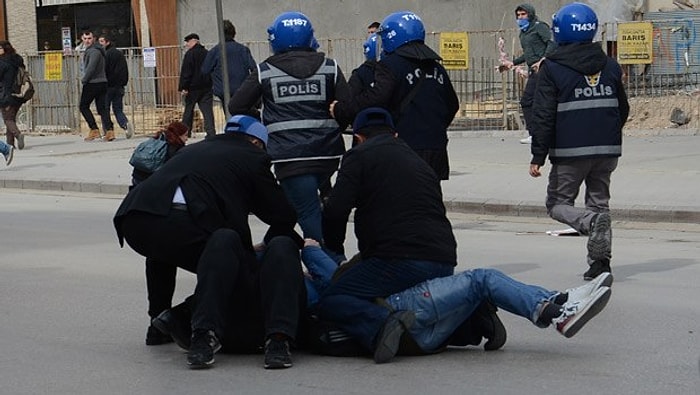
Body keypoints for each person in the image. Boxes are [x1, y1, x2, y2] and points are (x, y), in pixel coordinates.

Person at [113, 115, 304, 369]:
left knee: (163, 250)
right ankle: (194, 327)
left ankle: (158, 323)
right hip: (185, 221)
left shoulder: (195, 149)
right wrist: (260, 248)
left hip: (137, 218)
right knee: (226, 256)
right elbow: (282, 215)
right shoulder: (253, 157)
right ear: (257, 143)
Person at [303, 239, 612, 361]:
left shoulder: (315, 300)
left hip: (420, 338)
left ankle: (559, 301)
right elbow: (323, 261)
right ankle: (554, 311)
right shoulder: (329, 287)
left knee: (477, 284)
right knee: (482, 279)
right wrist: (308, 248)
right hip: (404, 311)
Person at [317, 107, 459, 363]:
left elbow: (335, 210)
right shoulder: (418, 161)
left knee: (335, 297)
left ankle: (382, 324)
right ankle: (474, 319)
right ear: (395, 134)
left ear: (358, 137)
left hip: (399, 258)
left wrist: (334, 249)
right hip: (444, 258)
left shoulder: (358, 156)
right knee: (391, 294)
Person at [228, 11, 350, 244]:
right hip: (328, 154)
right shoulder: (330, 67)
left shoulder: (265, 71)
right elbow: (346, 108)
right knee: (300, 205)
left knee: (306, 211)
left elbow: (237, 105)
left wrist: (263, 116)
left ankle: (328, 262)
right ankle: (273, 244)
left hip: (288, 156)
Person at [528, 3, 629, 281]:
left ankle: (590, 223)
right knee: (600, 204)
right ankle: (600, 265)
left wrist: (538, 155)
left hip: (570, 152)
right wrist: (606, 133)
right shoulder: (609, 64)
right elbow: (623, 108)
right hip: (607, 151)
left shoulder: (552, 68)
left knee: (557, 204)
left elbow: (543, 115)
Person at [331, 10, 459, 181]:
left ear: (391, 37)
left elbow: (376, 98)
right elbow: (452, 105)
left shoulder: (390, 65)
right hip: (436, 147)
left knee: (402, 200)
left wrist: (342, 109)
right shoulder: (437, 68)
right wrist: (433, 127)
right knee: (429, 198)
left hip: (405, 147)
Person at [499, 3, 556, 144]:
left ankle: (537, 134)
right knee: (532, 101)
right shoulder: (524, 32)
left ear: (530, 14)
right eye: (518, 15)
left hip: (543, 69)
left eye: (523, 14)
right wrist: (513, 63)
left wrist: (542, 60)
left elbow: (551, 43)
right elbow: (528, 54)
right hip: (533, 70)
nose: (520, 17)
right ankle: (536, 133)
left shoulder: (539, 27)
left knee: (531, 101)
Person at [201, 20, 256, 114]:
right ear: (234, 33)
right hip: (242, 89)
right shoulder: (243, 50)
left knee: (229, 115)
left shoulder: (215, 51)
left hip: (223, 90)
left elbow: (205, 70)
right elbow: (253, 68)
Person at [178, 33, 215, 138]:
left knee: (188, 111)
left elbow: (186, 72)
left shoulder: (190, 55)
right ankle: (211, 132)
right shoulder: (207, 53)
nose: (187, 45)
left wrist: (183, 87)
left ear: (194, 41)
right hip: (206, 87)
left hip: (192, 88)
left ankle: (185, 133)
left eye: (188, 42)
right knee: (208, 111)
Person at [98, 34, 133, 141]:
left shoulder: (105, 55)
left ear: (107, 42)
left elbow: (103, 70)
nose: (100, 44)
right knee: (118, 109)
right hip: (119, 86)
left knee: (105, 109)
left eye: (102, 42)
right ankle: (125, 124)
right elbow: (124, 70)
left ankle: (108, 131)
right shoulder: (119, 54)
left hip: (108, 86)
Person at [79, 30, 111, 142]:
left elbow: (91, 68)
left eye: (89, 38)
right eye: (85, 38)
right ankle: (109, 131)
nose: (87, 41)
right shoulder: (99, 50)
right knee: (102, 108)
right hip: (102, 82)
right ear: (82, 39)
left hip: (93, 82)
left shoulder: (93, 51)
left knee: (83, 106)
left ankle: (94, 129)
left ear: (94, 39)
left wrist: (84, 79)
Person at [0, 40, 27, 150]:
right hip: (18, 93)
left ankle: (18, 135)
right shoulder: (17, 59)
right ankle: (10, 144)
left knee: (7, 119)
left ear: (4, 49)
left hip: (6, 94)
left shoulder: (3, 63)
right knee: (11, 118)